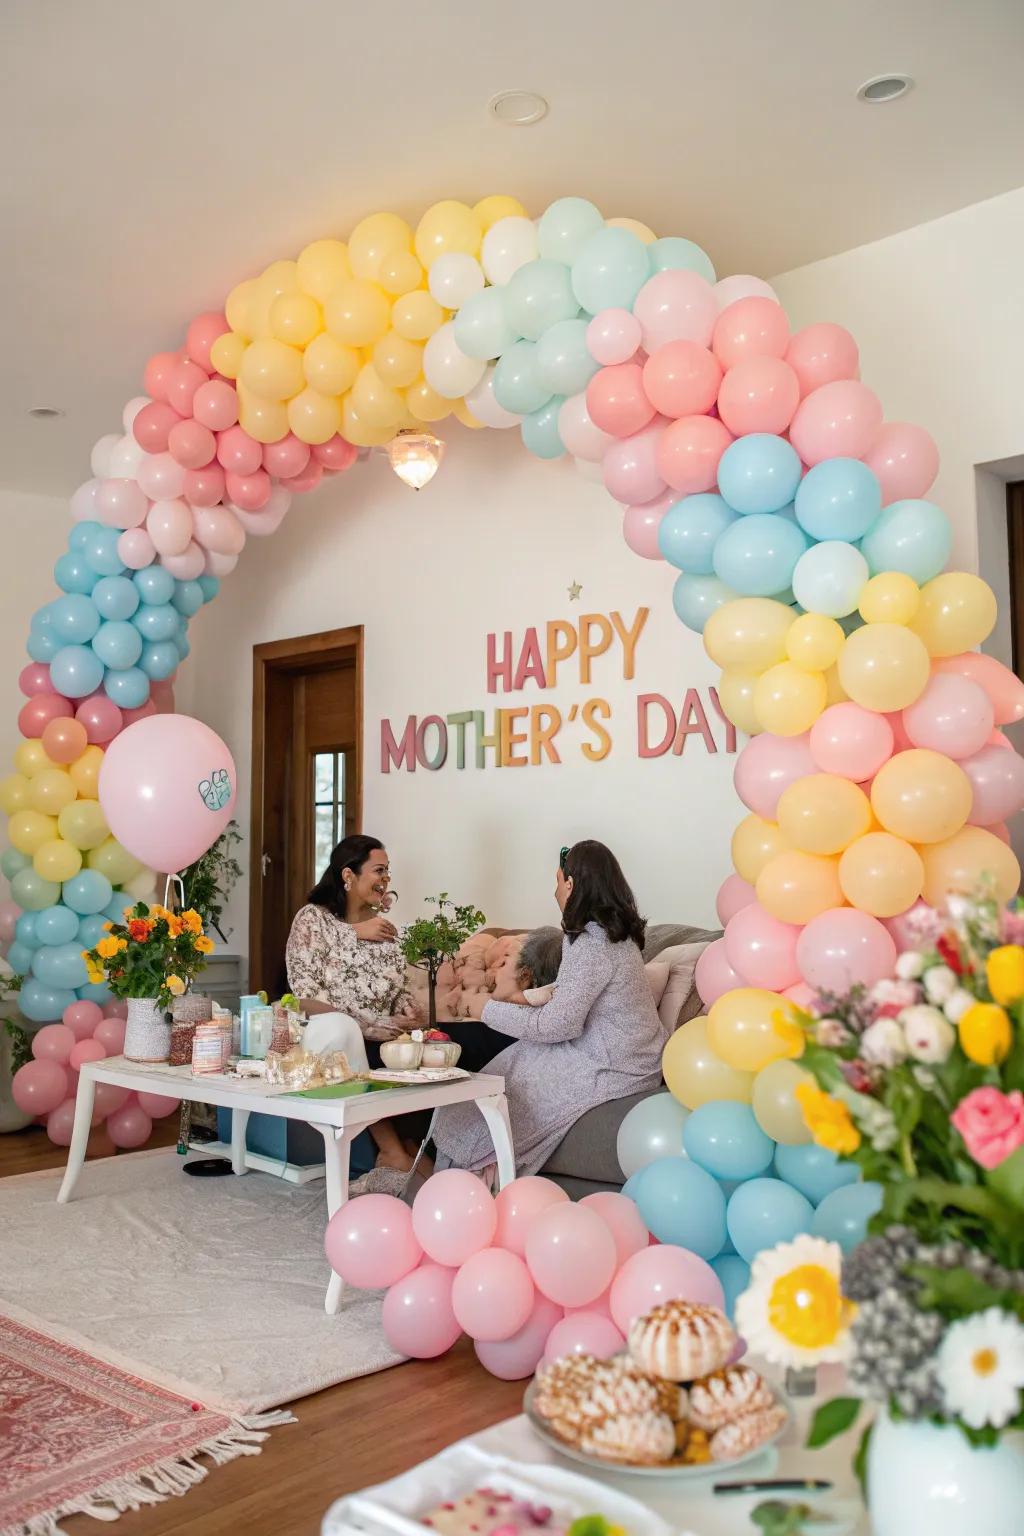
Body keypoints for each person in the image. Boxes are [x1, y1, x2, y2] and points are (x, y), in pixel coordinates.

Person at [431, 840, 667, 1178]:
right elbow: (579, 998)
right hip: (628, 1052)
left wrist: (486, 1008)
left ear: (570, 885)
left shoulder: (589, 943)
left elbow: (559, 1027)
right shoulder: (614, 936)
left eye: (558, 882)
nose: (555, 891)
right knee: (510, 1066)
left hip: (616, 1063)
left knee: (508, 1092)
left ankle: (474, 1174)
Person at [286, 835, 422, 1175]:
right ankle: (393, 1151)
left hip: (383, 1035)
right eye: (379, 870)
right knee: (348, 1033)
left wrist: (408, 1010)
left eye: (388, 872)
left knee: (428, 1050)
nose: (385, 879)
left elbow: (399, 987)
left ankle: (417, 1155)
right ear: (348, 875)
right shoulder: (312, 920)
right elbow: (303, 994)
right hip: (325, 1034)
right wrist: (354, 933)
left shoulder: (386, 930)